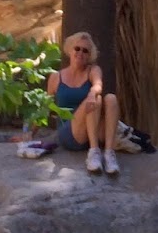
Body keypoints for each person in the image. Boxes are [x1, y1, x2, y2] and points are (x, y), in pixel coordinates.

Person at [48, 31, 120, 175]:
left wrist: (92, 93)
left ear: (89, 55)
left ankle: (109, 154)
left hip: (91, 130)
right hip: (70, 132)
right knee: (93, 100)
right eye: (77, 48)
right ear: (70, 50)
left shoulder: (93, 70)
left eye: (85, 50)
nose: (80, 53)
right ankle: (94, 152)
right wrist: (29, 133)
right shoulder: (56, 77)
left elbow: (98, 84)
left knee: (110, 98)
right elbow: (44, 106)